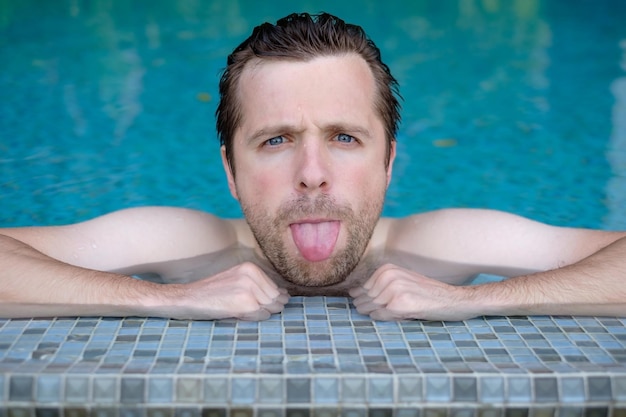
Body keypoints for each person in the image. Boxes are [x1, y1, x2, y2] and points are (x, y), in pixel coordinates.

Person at [1, 13, 624, 321]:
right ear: (229, 170)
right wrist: (167, 299)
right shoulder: (182, 246)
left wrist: (478, 301)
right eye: (275, 141)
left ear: (387, 162)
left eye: (345, 137)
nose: (313, 172)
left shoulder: (443, 246)